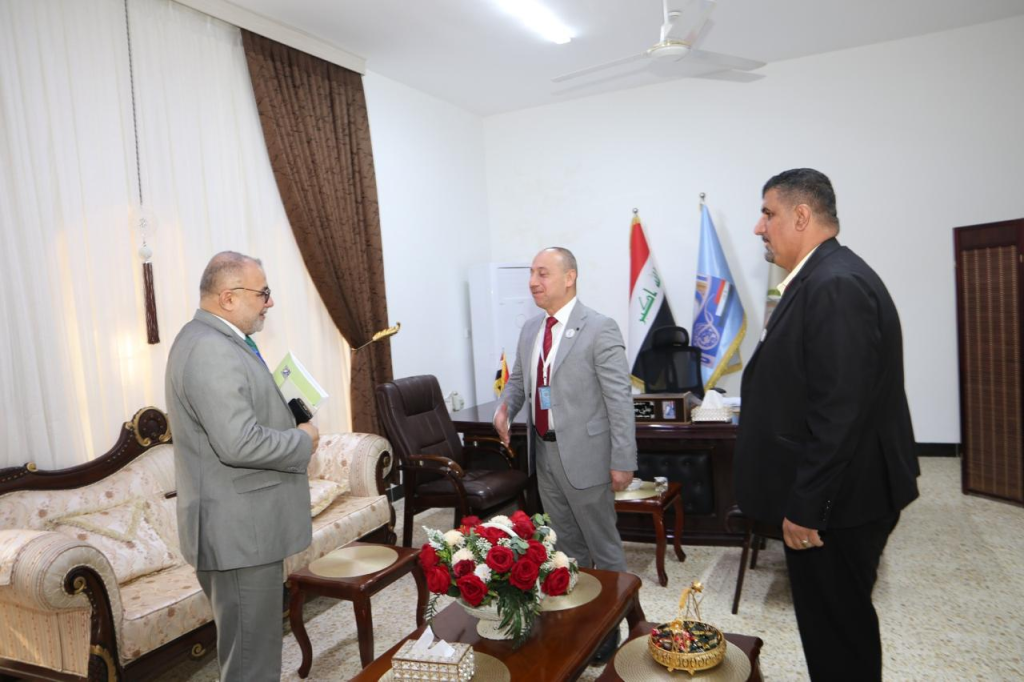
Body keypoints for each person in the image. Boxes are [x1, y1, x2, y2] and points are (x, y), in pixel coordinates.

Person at [734, 169, 920, 681]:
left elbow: (840, 411)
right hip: (840, 497)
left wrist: (806, 507)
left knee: (838, 634)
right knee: (833, 627)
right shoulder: (821, 276)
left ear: (801, 215)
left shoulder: (835, 284)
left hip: (839, 504)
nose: (758, 227)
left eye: (767, 213)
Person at [165, 251, 319, 682]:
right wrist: (302, 440)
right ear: (229, 297)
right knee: (251, 661)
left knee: (254, 650)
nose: (270, 302)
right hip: (237, 534)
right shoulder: (210, 350)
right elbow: (239, 443)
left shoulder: (218, 340)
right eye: (263, 293)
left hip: (244, 529)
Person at [494, 246, 636, 663]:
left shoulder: (599, 328)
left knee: (603, 546)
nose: (532, 282)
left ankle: (613, 624)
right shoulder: (530, 330)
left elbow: (619, 399)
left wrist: (623, 459)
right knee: (567, 544)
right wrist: (505, 408)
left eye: (543, 273)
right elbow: (519, 383)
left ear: (569, 277)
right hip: (544, 452)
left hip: (587, 455)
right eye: (531, 274)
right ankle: (583, 619)